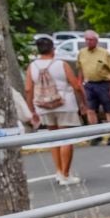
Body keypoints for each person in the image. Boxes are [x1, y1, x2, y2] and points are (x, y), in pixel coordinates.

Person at [23, 36, 84, 185]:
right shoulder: (61, 64)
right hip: (64, 104)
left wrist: (31, 109)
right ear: (53, 49)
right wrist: (83, 102)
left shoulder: (33, 66)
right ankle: (66, 174)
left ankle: (58, 171)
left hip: (43, 106)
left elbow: (28, 88)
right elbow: (76, 85)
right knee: (66, 138)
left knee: (54, 137)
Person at [75, 30, 110, 145]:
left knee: (109, 110)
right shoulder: (82, 53)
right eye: (87, 40)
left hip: (104, 83)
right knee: (90, 110)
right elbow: (80, 68)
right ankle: (96, 135)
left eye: (91, 40)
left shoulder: (104, 53)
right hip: (90, 84)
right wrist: (79, 82)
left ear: (96, 41)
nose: (89, 42)